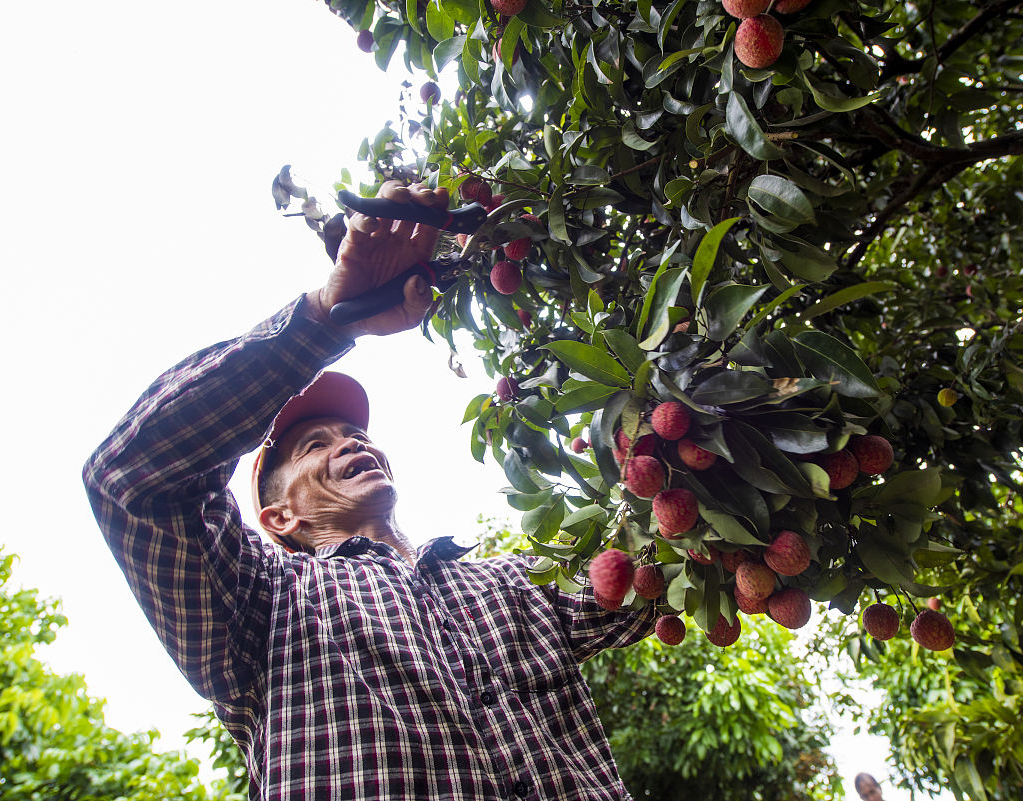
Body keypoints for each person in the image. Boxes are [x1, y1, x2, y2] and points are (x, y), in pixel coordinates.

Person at [83, 181, 656, 800]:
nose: (352, 443)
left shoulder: (511, 585)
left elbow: (663, 569)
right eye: (315, 446)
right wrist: (323, 318)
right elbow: (130, 476)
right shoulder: (258, 608)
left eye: (354, 432)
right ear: (277, 517)